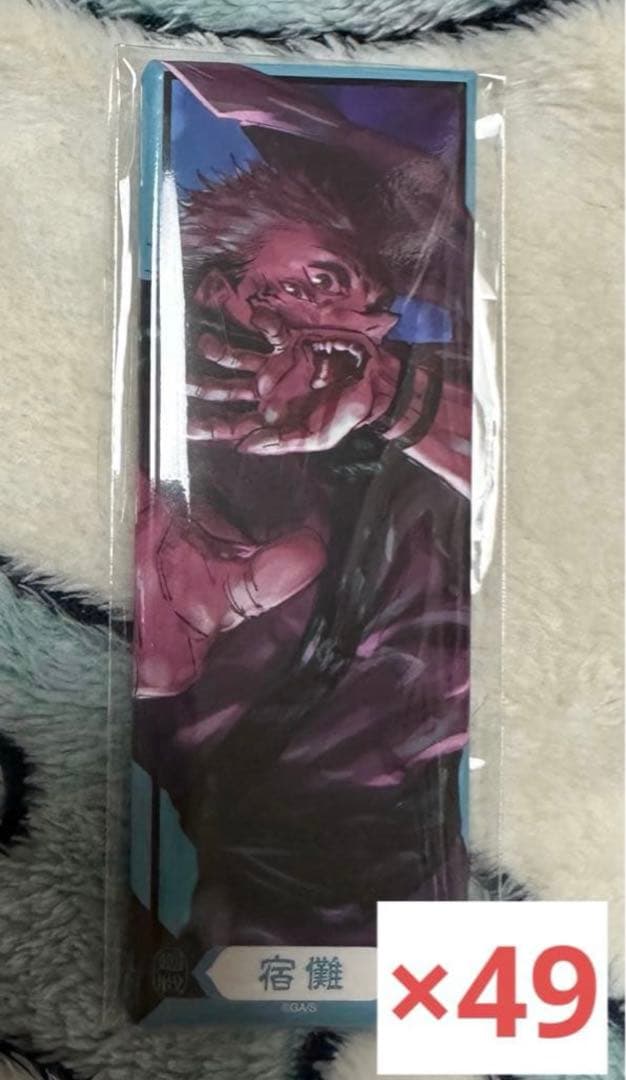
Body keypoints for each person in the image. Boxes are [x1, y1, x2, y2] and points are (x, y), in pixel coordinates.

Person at [133, 65, 472, 948]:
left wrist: (395, 399)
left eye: (354, 294)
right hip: (264, 891)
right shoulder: (148, 426)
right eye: (307, 283)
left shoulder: (421, 418)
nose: (334, 318)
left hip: (440, 878)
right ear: (215, 292)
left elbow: (559, 485)